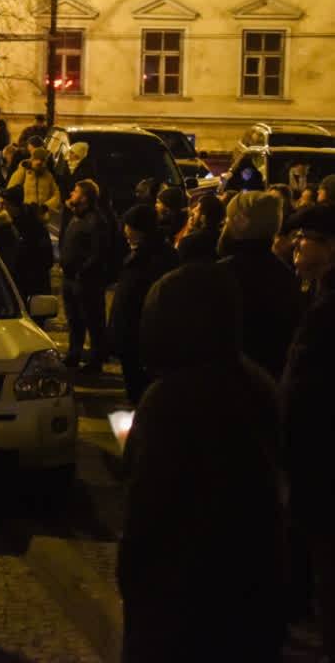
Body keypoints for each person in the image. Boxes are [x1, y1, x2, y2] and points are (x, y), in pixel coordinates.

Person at [120, 262, 285, 662]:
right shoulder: (255, 383)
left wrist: (131, 572)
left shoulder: (172, 398)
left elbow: (150, 505)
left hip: (182, 592)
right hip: (251, 586)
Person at [281, 202, 335, 659]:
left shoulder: (326, 311)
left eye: (307, 239)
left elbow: (305, 393)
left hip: (322, 464)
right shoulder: (314, 297)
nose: (297, 245)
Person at [218, 191, 300, 382]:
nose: (225, 223)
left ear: (240, 224)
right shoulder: (286, 276)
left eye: (229, 219)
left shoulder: (222, 275)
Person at [107, 204, 178, 405]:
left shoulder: (154, 257)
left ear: (138, 228)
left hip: (140, 332)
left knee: (140, 389)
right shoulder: (141, 252)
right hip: (131, 331)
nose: (125, 230)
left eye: (128, 226)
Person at [60, 179, 109, 372]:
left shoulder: (96, 221)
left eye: (75, 192)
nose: (71, 194)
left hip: (86, 281)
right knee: (74, 320)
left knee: (92, 320)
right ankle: (74, 354)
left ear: (85, 197)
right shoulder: (77, 217)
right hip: (71, 278)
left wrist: (82, 272)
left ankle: (95, 361)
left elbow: (98, 253)